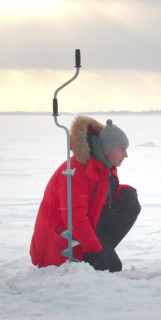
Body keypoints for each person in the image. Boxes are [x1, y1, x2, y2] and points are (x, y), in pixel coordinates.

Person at [30, 116, 140, 272]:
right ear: (107, 150)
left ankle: (94, 255)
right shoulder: (74, 172)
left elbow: (97, 199)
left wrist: (125, 192)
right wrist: (96, 252)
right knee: (112, 268)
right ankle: (88, 259)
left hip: (83, 227)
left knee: (128, 202)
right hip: (60, 243)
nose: (126, 155)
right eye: (122, 149)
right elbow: (74, 217)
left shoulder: (102, 166)